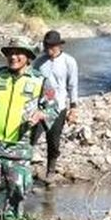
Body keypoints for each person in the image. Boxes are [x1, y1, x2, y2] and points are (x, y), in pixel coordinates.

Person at [0, 36, 56, 220]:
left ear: (27, 56)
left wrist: (41, 114)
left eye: (18, 53)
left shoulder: (39, 80)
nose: (13, 57)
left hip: (20, 145)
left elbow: (54, 109)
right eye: (10, 52)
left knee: (18, 188)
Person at [30, 30, 79, 181]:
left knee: (53, 140)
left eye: (51, 46)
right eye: (46, 46)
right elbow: (32, 83)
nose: (48, 49)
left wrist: (73, 108)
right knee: (31, 138)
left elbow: (73, 85)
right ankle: (23, 166)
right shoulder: (39, 62)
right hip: (40, 106)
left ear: (59, 46)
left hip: (58, 107)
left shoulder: (69, 61)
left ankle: (51, 170)